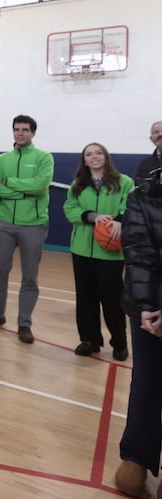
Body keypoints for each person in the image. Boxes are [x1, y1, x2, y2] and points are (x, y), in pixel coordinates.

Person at [0, 114, 54, 344]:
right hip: (3, 224)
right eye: (16, 129)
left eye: (24, 129)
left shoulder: (44, 158)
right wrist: (25, 190)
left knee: (29, 276)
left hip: (33, 225)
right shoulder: (2, 160)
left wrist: (10, 183)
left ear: (33, 133)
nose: (20, 133)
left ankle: (24, 323)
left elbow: (40, 186)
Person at [114, 167, 162, 498]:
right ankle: (136, 457)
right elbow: (139, 253)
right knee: (145, 382)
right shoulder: (142, 196)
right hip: (150, 308)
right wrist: (147, 306)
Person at [62, 143, 132, 360]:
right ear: (84, 160)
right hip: (82, 249)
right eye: (89, 154)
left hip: (111, 250)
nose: (94, 157)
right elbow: (69, 209)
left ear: (106, 156)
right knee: (85, 297)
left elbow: (130, 206)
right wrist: (92, 216)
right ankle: (89, 340)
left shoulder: (124, 182)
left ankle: (119, 343)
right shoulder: (77, 185)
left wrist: (120, 220)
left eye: (98, 153)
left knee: (112, 298)